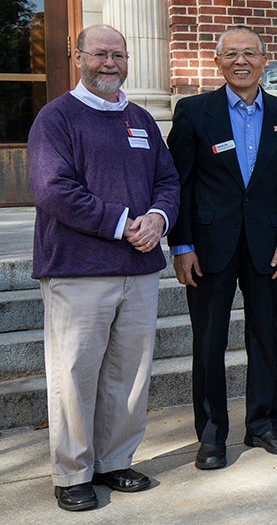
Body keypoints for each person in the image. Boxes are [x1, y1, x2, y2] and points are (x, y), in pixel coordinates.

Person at [28, 25, 180, 510]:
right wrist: (122, 223)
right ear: (78, 58)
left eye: (118, 54)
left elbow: (168, 179)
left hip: (138, 271)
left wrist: (157, 219)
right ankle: (72, 472)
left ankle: (115, 461)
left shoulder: (140, 119)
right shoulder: (56, 118)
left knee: (129, 373)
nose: (109, 63)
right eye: (99, 54)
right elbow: (53, 189)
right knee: (74, 373)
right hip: (78, 270)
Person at [168, 26, 277, 470]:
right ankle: (211, 436)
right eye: (231, 54)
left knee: (265, 337)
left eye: (250, 53)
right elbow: (179, 183)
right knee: (208, 342)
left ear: (265, 60)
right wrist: (182, 244)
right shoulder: (193, 111)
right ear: (218, 62)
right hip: (208, 247)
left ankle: (264, 423)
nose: (241, 61)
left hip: (267, 247)